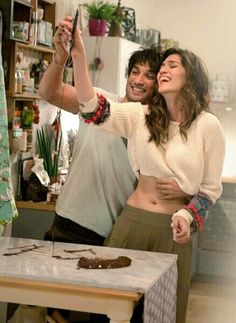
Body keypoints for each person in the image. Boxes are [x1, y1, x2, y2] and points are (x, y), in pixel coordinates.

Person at [65, 21, 225, 323]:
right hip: (131, 223)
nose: (163, 70)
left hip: (171, 233)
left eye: (172, 65)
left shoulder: (208, 126)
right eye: (162, 65)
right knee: (106, 309)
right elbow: (92, 108)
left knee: (160, 315)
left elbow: (210, 190)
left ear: (191, 76)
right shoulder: (142, 115)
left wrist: (188, 216)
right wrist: (78, 53)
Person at [39, 17, 188, 323]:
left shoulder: (159, 130)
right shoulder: (97, 101)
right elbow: (49, 93)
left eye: (149, 75)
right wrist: (60, 58)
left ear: (159, 83)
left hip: (110, 239)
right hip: (67, 224)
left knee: (102, 316)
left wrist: (185, 189)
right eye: (135, 72)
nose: (139, 80)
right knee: (48, 309)